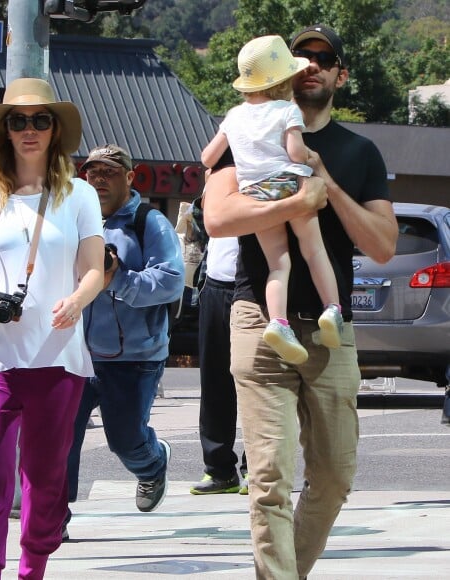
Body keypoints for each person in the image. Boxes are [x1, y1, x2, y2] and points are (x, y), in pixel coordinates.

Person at [203, 25, 398, 579]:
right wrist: (293, 199)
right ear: (284, 71)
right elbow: (218, 219)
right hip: (258, 319)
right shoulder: (247, 131)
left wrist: (324, 183)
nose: (310, 65)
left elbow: (381, 245)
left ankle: (292, 571)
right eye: (300, 56)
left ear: (340, 75)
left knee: (335, 477)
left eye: (323, 58)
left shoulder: (360, 152)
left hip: (332, 328)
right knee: (268, 478)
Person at [0, 77, 105, 580]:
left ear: (55, 130)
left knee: (45, 480)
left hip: (57, 361)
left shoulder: (79, 195)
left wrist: (77, 300)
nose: (30, 130)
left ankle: (33, 567)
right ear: (5, 131)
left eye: (40, 120)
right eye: (19, 121)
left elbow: (95, 268)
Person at [201, 35, 343, 366]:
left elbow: (208, 157)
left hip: (255, 193)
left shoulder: (235, 115)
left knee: (278, 264)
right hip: (291, 184)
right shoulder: (287, 110)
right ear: (283, 80)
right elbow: (294, 152)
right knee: (312, 250)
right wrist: (307, 157)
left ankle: (278, 323)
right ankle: (332, 310)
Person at [66, 144, 185, 520]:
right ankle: (55, 515)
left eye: (109, 172)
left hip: (134, 357)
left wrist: (118, 278)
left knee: (125, 440)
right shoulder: (75, 219)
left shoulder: (148, 222)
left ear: (129, 178)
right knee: (61, 438)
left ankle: (151, 464)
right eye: (92, 172)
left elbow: (171, 281)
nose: (98, 179)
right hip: (75, 354)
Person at [190, 156, 247, 495]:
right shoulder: (218, 175)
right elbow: (207, 158)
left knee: (255, 381)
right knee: (214, 380)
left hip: (253, 287)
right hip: (216, 284)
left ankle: (257, 466)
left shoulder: (264, 172)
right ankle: (219, 468)